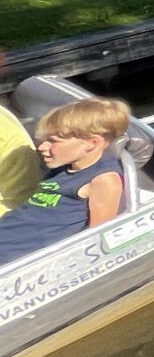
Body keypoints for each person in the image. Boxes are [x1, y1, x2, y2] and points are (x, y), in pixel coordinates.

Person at [0, 98, 131, 263]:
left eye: (53, 141)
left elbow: (98, 239)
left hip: (16, 258)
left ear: (91, 143)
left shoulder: (103, 180)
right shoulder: (60, 167)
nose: (42, 147)